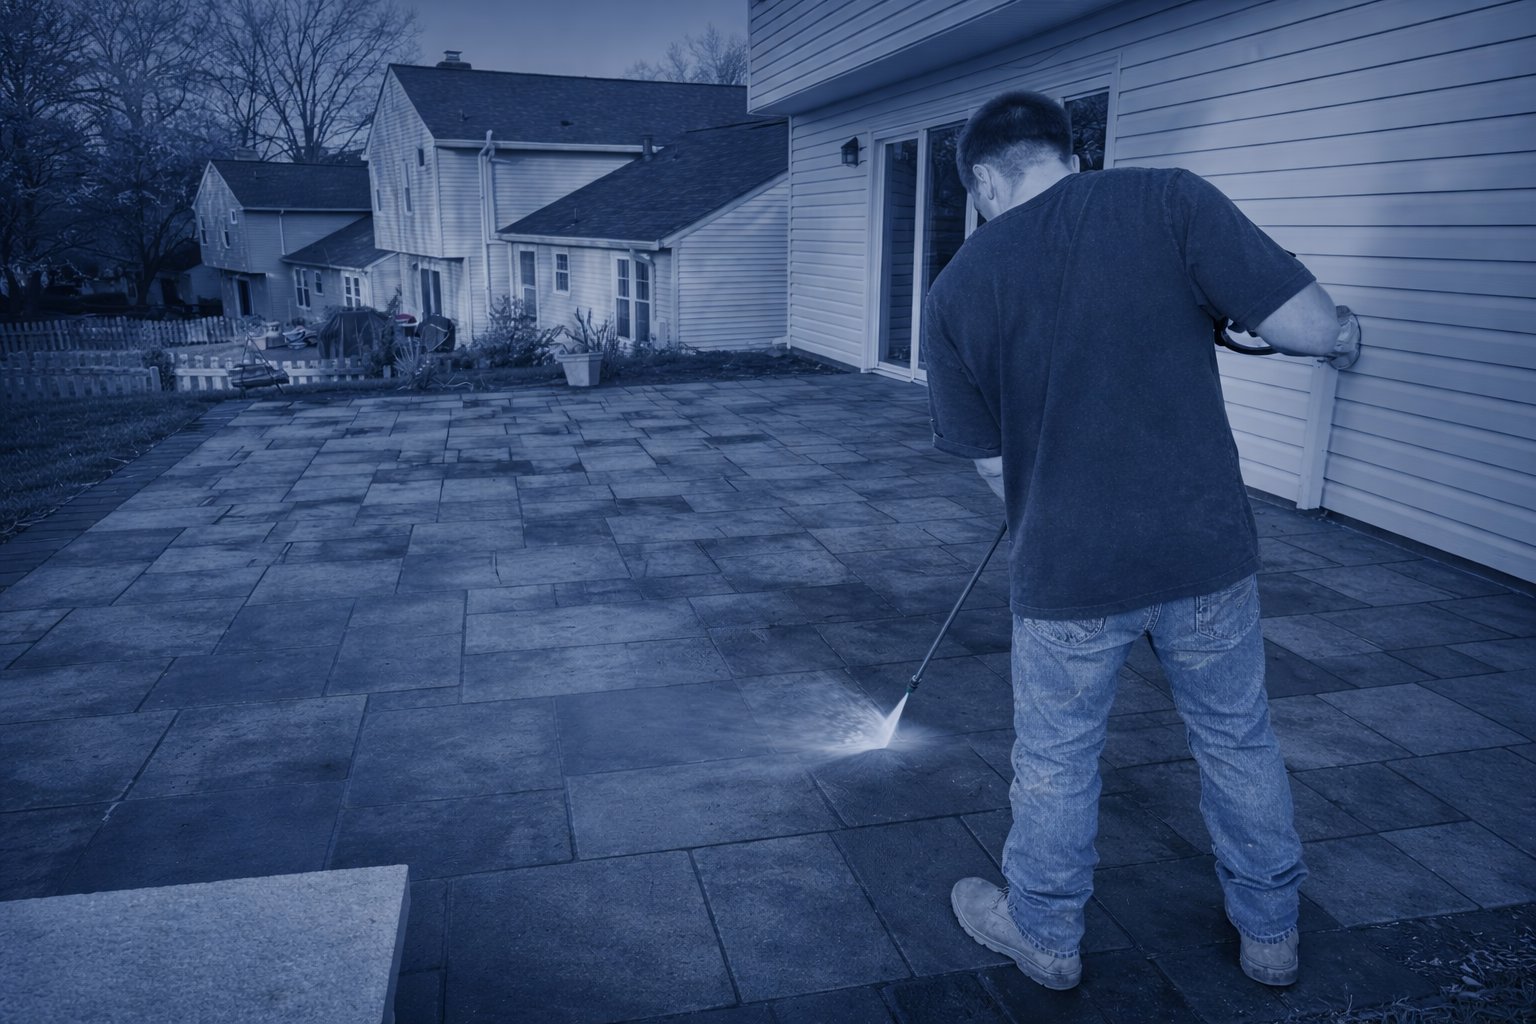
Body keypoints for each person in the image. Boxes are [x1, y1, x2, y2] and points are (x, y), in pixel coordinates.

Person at [926, 90, 1361, 991]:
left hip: (1067, 571)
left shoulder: (957, 286)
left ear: (983, 180)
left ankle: (1042, 934)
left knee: (1054, 759)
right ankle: (1271, 934)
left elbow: (987, 466)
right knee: (1237, 739)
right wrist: (1347, 334)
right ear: (1067, 154)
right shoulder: (1168, 200)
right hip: (1202, 552)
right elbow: (1311, 329)